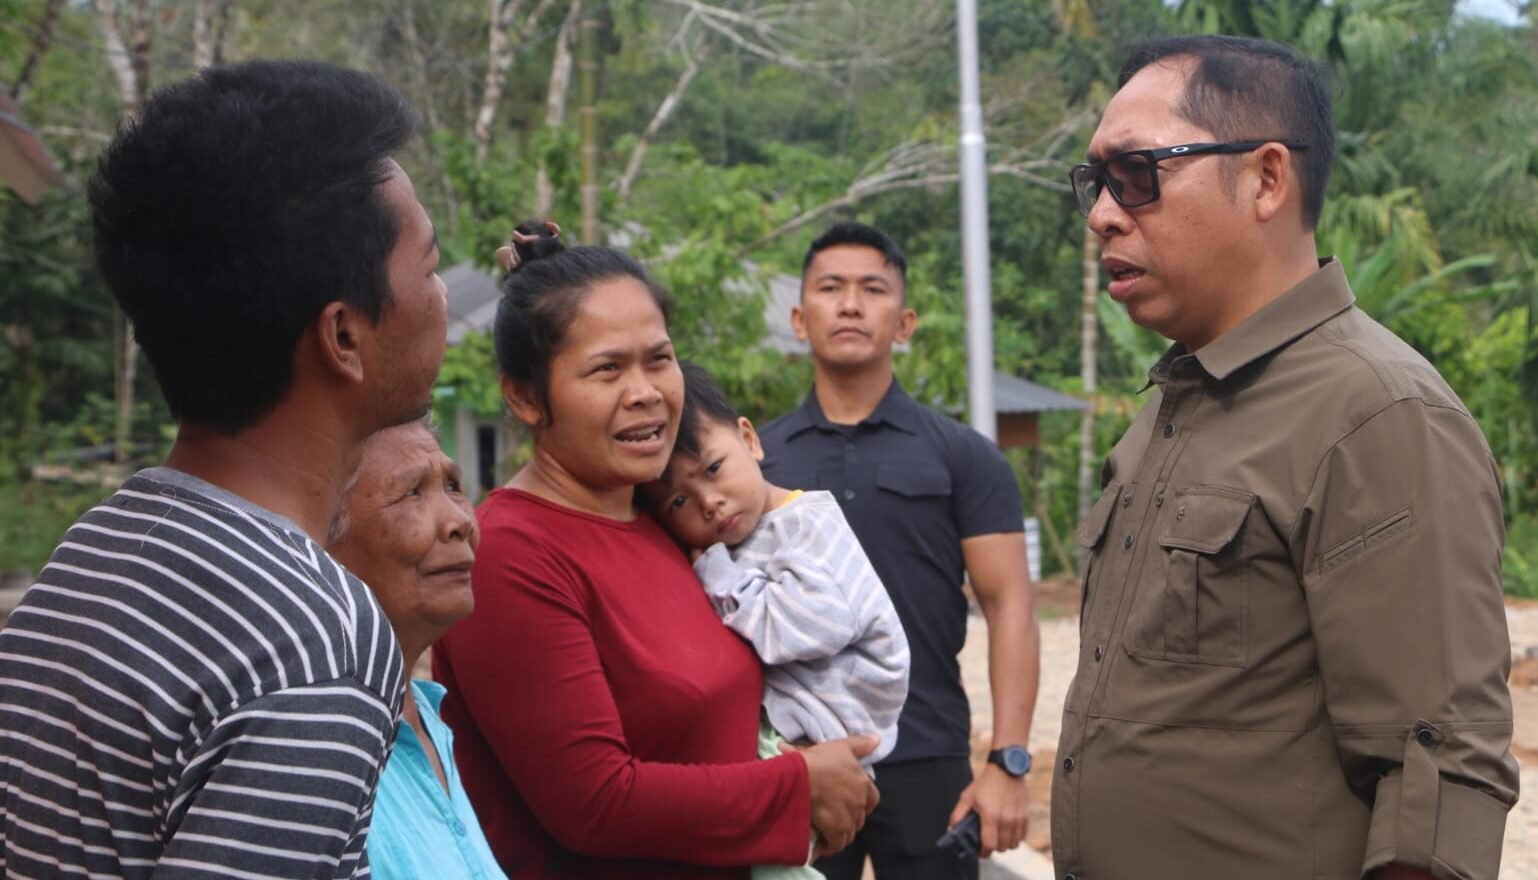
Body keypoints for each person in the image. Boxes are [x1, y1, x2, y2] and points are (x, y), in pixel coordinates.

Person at [1053, 35, 1518, 880]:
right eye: (1097, 182)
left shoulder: (1376, 414)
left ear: (1268, 178)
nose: (1104, 214)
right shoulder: (1171, 405)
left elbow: (1436, 770)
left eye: (1138, 174)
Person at [0, 61, 442, 878]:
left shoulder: (94, 550)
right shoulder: (316, 645)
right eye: (432, 267)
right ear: (345, 337)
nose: (443, 297)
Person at [432, 220, 879, 880]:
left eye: (659, 359)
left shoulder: (668, 519)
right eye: (607, 368)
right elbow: (594, 802)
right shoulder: (512, 554)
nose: (645, 392)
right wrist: (796, 788)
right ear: (525, 397)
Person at [758, 222, 1041, 880]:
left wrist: (1008, 762)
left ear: (905, 323)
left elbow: (1010, 607)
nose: (850, 304)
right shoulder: (755, 461)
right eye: (831, 288)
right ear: (799, 320)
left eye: (872, 289)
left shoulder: (964, 457)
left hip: (927, 749)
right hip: (795, 757)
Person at [640, 362, 912, 880]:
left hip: (833, 721)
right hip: (806, 726)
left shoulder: (805, 525)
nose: (709, 503)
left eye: (713, 469)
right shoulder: (743, 537)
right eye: (678, 501)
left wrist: (718, 576)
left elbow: (807, 626)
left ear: (749, 440)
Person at [327, 419, 506, 880]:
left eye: (453, 486)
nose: (461, 522)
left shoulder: (426, 718)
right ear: (322, 534)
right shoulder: (319, 744)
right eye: (411, 493)